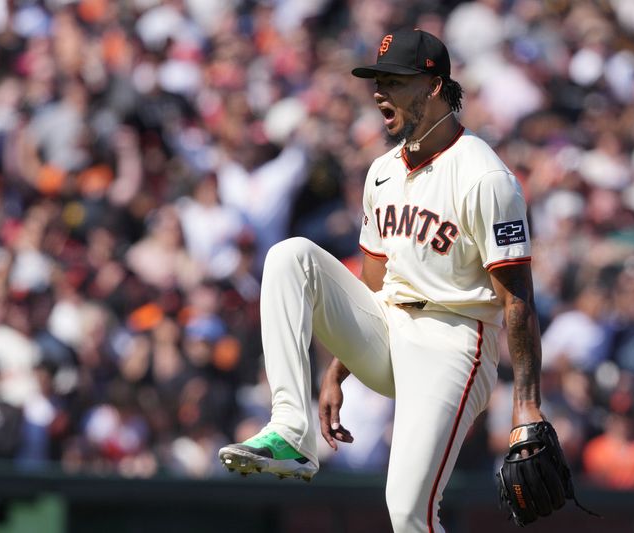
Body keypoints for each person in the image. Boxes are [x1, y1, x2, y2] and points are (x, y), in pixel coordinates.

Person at [218, 28, 544, 532]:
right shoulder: (381, 172)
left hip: (454, 341)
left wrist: (526, 406)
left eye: (393, 81)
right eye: (377, 80)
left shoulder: (485, 176)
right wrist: (335, 372)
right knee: (289, 256)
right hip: (388, 328)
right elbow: (372, 286)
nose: (378, 92)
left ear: (433, 87)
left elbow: (517, 299)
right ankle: (290, 430)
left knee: (407, 507)